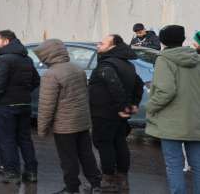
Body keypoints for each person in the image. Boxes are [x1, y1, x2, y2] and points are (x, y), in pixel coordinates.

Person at [35, 39, 101, 194]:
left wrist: (42, 129)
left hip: (64, 125)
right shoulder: (78, 69)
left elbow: (47, 105)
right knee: (86, 154)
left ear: (46, 55)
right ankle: (95, 184)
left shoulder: (50, 75)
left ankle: (72, 188)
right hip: (82, 121)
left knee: (68, 159)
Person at [146, 25, 200, 194]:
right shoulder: (196, 58)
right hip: (195, 120)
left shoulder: (164, 59)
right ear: (183, 39)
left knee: (174, 164)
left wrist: (151, 107)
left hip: (171, 123)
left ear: (162, 41)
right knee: (198, 165)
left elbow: (165, 91)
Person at [89, 34, 144, 192]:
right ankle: (122, 180)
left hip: (104, 113)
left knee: (105, 144)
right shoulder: (127, 64)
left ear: (113, 47)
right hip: (116, 115)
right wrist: (132, 104)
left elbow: (114, 85)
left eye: (103, 42)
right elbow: (138, 84)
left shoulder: (108, 65)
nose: (98, 44)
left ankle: (108, 181)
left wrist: (124, 107)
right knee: (119, 143)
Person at [0, 30, 39, 183]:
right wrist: (23, 92)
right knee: (24, 139)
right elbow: (36, 81)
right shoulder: (27, 59)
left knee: (7, 139)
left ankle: (12, 171)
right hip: (24, 104)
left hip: (5, 105)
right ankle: (31, 172)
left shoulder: (3, 60)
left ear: (6, 41)